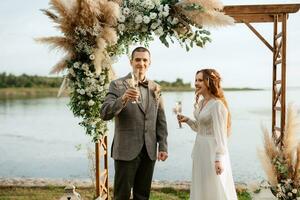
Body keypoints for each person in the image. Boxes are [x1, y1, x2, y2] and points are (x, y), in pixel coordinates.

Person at [100, 47, 168, 200]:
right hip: (125, 150)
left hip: (149, 151)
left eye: (145, 60)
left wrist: (162, 145)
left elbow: (161, 120)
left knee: (142, 196)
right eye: (138, 59)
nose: (141, 63)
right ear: (131, 62)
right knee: (121, 196)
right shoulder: (117, 85)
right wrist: (123, 99)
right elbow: (104, 113)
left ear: (149, 63)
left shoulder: (156, 88)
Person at [177, 68, 237, 200]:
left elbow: (221, 135)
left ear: (209, 82)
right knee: (201, 185)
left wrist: (218, 159)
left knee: (215, 187)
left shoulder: (217, 105)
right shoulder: (201, 103)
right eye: (196, 80)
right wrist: (187, 120)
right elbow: (200, 128)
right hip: (200, 149)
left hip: (213, 151)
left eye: (200, 80)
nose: (196, 83)